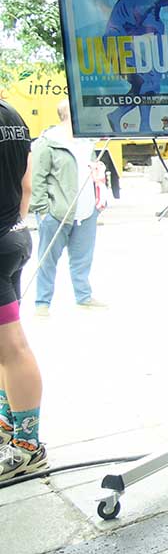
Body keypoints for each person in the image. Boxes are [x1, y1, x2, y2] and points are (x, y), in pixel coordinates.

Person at [76, 0, 168, 133]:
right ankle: (143, 125)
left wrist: (160, 75)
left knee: (149, 83)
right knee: (148, 80)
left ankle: (118, 116)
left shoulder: (157, 24)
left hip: (126, 47)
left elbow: (159, 55)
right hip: (113, 41)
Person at [0, 100, 46, 481]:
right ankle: (9, 428)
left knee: (12, 349)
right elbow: (26, 185)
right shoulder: (12, 115)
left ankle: (28, 449)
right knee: (5, 348)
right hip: (14, 236)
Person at [29, 100, 107, 314]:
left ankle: (84, 296)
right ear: (70, 115)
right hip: (57, 212)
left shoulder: (86, 142)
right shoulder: (48, 143)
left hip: (87, 210)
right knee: (48, 258)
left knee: (83, 258)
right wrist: (43, 210)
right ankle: (42, 302)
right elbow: (37, 178)